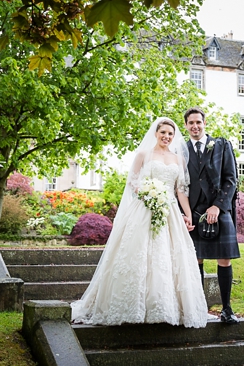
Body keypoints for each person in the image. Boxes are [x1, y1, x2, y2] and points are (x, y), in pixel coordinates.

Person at [70, 117, 208, 328]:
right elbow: (133, 181)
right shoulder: (144, 154)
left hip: (169, 210)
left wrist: (187, 214)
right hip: (145, 207)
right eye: (163, 133)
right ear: (156, 133)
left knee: (168, 258)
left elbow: (181, 190)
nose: (166, 137)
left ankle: (165, 307)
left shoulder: (178, 159)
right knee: (138, 254)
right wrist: (149, 195)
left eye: (170, 134)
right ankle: (133, 306)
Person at [184, 107, 241, 324]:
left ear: (204, 123)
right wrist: (184, 213)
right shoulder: (181, 149)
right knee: (195, 260)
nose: (195, 126)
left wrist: (217, 206)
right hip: (193, 211)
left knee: (224, 260)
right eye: (191, 123)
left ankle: (227, 309)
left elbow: (231, 179)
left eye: (198, 122)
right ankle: (199, 309)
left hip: (219, 208)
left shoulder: (221, 145)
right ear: (186, 125)